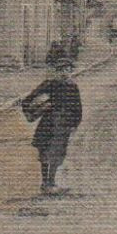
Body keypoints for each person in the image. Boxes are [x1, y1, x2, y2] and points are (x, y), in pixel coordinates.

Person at [22, 49, 83, 195]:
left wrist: (74, 124)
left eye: (68, 70)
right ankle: (44, 183)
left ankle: (51, 182)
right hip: (48, 123)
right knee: (44, 151)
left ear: (71, 71)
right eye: (61, 70)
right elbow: (29, 98)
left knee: (57, 153)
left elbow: (78, 108)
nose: (65, 73)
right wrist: (34, 108)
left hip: (63, 125)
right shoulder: (50, 84)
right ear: (57, 71)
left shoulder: (73, 87)